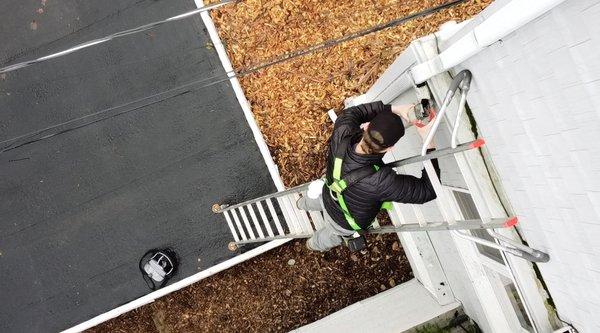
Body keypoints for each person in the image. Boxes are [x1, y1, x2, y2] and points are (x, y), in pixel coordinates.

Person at [297, 101, 440, 252]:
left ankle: (301, 204)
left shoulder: (343, 132)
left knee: (316, 200)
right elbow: (427, 191)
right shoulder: (381, 181)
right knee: (330, 236)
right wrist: (428, 144)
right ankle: (312, 245)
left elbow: (353, 113)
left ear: (366, 127)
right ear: (390, 148)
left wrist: (395, 108)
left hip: (327, 194)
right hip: (343, 223)